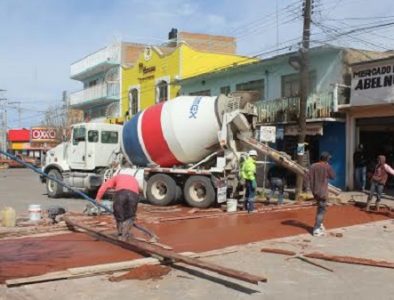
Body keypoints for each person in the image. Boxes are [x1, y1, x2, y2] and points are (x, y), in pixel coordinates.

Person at [96, 174, 140, 241]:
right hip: (134, 195)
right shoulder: (133, 179)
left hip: (121, 193)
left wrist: (98, 198)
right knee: (130, 216)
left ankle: (120, 234)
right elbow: (137, 190)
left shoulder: (115, 178)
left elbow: (104, 186)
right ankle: (124, 235)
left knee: (119, 214)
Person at [307, 152, 335, 237]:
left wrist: (308, 188)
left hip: (315, 191)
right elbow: (333, 176)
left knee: (321, 208)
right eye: (329, 158)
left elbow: (306, 177)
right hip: (323, 191)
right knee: (321, 210)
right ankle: (316, 229)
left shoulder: (312, 166)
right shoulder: (327, 166)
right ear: (326, 159)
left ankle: (320, 224)